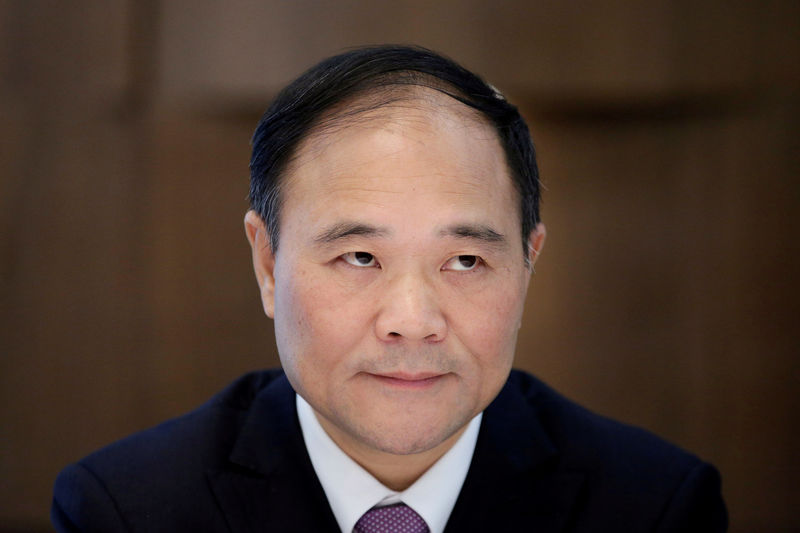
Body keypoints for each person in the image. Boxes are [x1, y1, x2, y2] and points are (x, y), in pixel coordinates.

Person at [52, 45, 727, 532]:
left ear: (528, 263)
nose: (412, 320)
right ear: (267, 263)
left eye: (464, 260)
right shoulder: (125, 508)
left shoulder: (655, 506)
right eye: (359, 256)